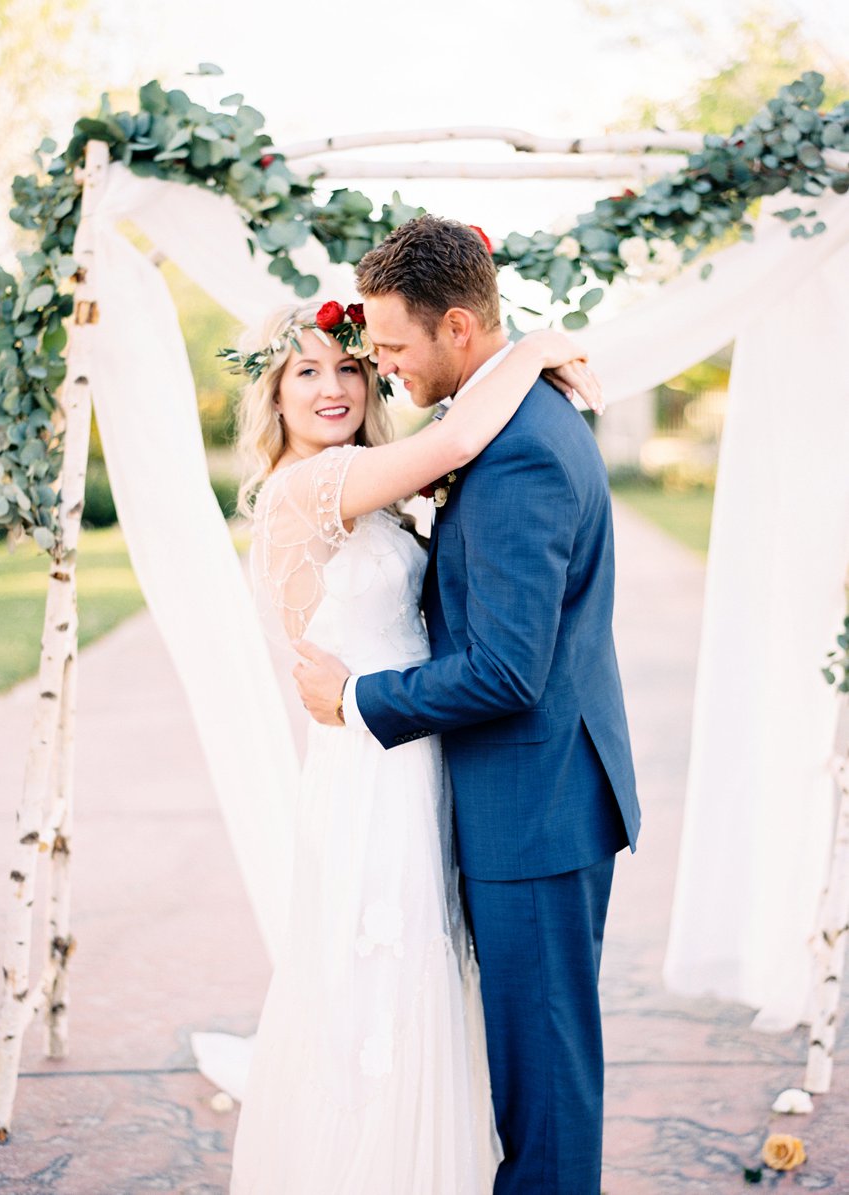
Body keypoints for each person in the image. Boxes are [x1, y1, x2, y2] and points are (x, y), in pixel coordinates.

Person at [295, 215, 641, 1195]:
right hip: (536, 796)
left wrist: (358, 696)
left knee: (544, 1093)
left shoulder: (520, 450)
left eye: (395, 347)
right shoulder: (507, 415)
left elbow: (506, 670)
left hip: (534, 809)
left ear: (456, 328)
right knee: (530, 1072)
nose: (384, 367)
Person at [226, 290, 601, 1194]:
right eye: (305, 372)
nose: (332, 388)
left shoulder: (376, 483)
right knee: (378, 989)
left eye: (350, 366)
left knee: (426, 987)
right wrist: (535, 344)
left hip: (417, 754)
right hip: (371, 767)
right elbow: (456, 440)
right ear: (271, 395)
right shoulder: (306, 486)